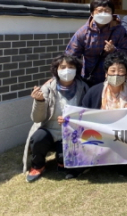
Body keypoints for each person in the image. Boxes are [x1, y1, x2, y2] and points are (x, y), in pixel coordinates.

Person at [23, 54, 88, 182]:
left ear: (77, 69)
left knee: (64, 160)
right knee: (38, 138)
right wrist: (39, 101)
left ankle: (61, 160)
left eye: (71, 67)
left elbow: (86, 113)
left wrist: (72, 120)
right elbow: (37, 118)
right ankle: (38, 165)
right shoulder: (47, 88)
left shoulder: (83, 87)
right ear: (56, 70)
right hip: (48, 129)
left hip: (70, 132)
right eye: (62, 67)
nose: (67, 70)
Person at [65, 0, 127, 87]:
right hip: (89, 79)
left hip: (114, 80)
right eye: (99, 11)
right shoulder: (83, 32)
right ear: (92, 13)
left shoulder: (119, 30)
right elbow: (70, 56)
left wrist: (114, 50)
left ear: (112, 13)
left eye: (107, 11)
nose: (103, 14)